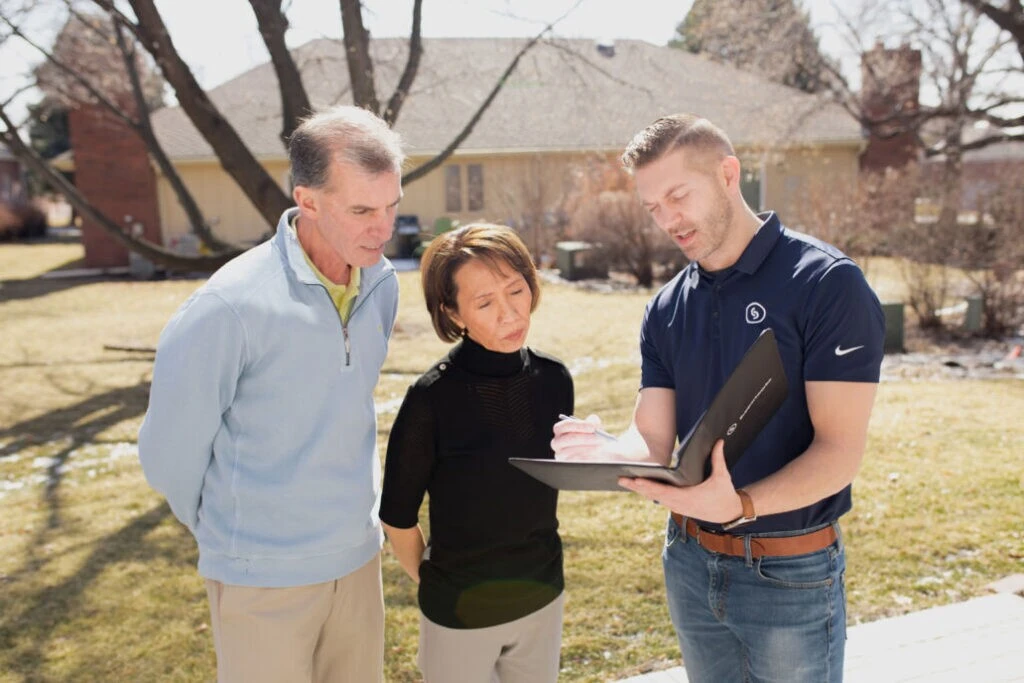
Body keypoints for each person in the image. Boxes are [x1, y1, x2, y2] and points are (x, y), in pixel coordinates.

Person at [552, 113, 884, 683]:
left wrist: (741, 506)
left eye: (678, 196)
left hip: (788, 571)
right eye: (653, 207)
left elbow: (839, 453)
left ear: (729, 174)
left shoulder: (826, 283)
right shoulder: (665, 308)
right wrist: (607, 449)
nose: (667, 220)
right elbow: (653, 438)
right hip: (687, 560)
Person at [137, 105, 404, 683]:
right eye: (361, 210)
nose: (382, 229)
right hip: (261, 579)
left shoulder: (380, 284)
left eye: (391, 207)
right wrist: (244, 538)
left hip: (357, 562)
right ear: (307, 201)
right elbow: (167, 454)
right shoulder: (229, 306)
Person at [379, 223, 574, 683]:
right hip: (459, 613)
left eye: (516, 290)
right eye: (485, 303)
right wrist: (439, 584)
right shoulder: (431, 398)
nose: (509, 314)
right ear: (453, 312)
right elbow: (397, 517)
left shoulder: (554, 380)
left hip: (542, 596)